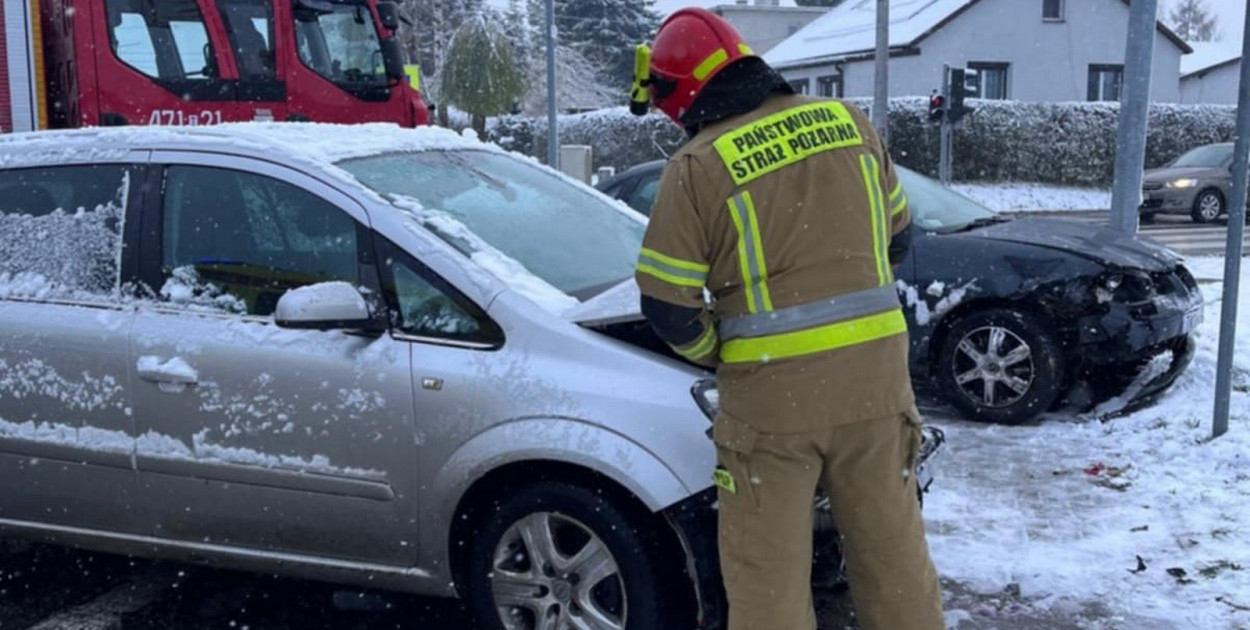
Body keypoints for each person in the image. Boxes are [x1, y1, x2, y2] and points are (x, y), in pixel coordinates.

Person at [630, 8, 945, 630]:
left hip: (771, 408)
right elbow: (899, 238)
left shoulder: (698, 165)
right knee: (894, 559)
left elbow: (667, 305)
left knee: (767, 580)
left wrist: (721, 349)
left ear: (682, 93)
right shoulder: (849, 123)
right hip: (876, 389)